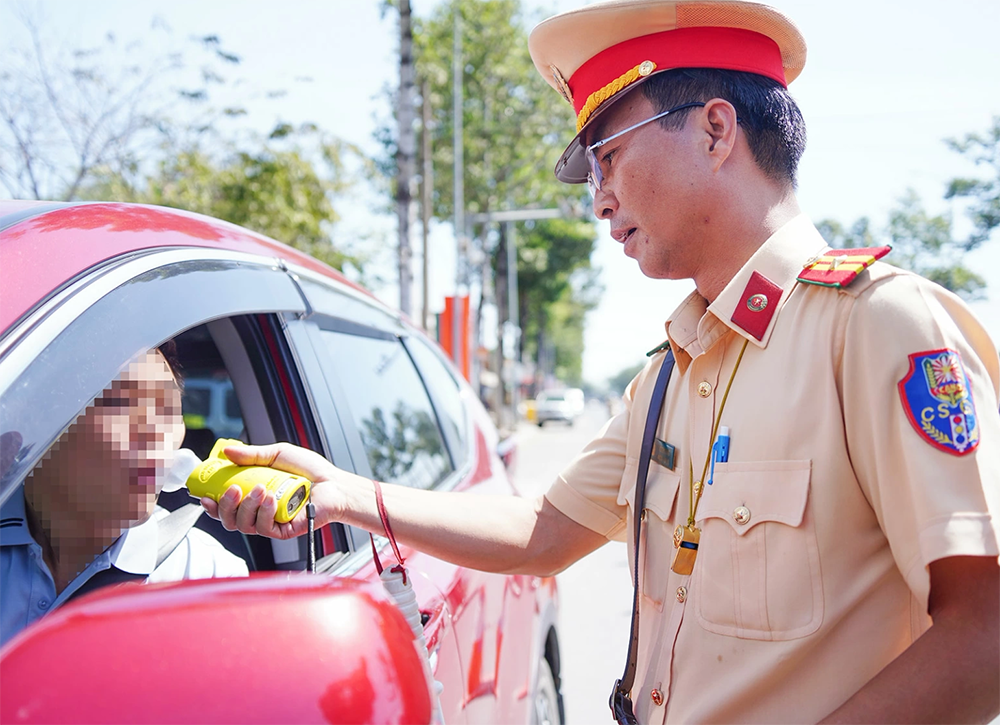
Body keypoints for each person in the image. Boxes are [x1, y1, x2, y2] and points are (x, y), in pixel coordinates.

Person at [203, 2, 1000, 723]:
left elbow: (986, 628)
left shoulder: (877, 326)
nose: (598, 198)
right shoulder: (668, 376)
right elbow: (542, 531)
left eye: (607, 157)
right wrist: (340, 492)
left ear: (716, 131)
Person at [0, 348, 248, 648]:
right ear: (38, 422)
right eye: (122, 405)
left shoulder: (209, 578)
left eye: (169, 411)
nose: (156, 434)